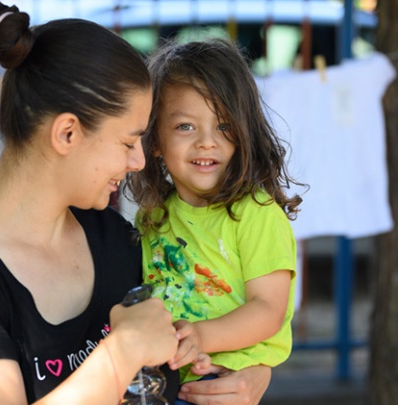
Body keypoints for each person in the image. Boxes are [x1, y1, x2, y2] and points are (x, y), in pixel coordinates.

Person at [0, 1, 271, 404]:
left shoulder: (115, 237)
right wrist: (119, 353)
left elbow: (209, 324)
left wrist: (251, 374)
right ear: (67, 134)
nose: (139, 161)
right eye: (128, 142)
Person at [127, 38, 302, 404]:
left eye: (223, 126)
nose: (208, 142)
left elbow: (269, 310)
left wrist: (202, 337)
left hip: (224, 388)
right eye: (186, 127)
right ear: (155, 139)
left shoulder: (256, 212)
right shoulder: (154, 216)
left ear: (244, 133)